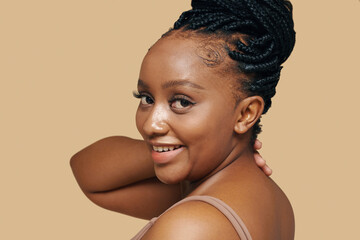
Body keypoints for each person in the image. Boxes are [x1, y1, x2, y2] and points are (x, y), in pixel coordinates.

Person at [70, 0, 296, 239]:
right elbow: (91, 175)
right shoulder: (264, 196)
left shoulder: (191, 227)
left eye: (182, 102)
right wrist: (175, 148)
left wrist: (179, 147)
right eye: (146, 98)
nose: (150, 125)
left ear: (246, 114)